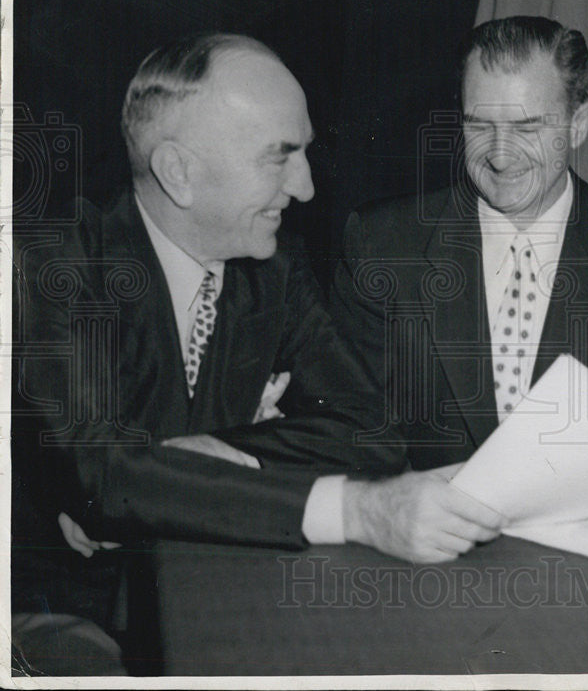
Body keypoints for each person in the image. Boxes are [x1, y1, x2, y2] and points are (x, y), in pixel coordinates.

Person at [12, 33, 405, 670]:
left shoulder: (273, 269)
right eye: (280, 157)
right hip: (57, 616)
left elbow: (374, 431)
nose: (305, 187)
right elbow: (99, 477)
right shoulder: (58, 265)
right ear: (179, 172)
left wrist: (219, 451)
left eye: (304, 152)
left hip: (222, 590)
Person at [330, 16, 588, 563]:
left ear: (579, 124)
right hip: (419, 565)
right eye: (479, 126)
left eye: (529, 128)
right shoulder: (382, 243)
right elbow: (349, 427)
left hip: (584, 573)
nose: (501, 156)